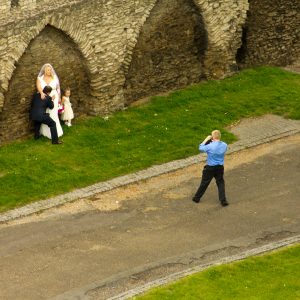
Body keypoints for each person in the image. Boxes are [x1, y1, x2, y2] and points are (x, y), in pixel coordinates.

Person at [192, 130, 229, 206]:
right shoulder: (224, 145)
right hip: (220, 167)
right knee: (220, 182)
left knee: (204, 183)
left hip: (210, 168)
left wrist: (206, 139)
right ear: (220, 136)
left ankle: (197, 198)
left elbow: (201, 148)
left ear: (212, 137)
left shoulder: (210, 146)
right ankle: (223, 200)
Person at [37, 63, 63, 139]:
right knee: (46, 114)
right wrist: (42, 93)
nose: (49, 71)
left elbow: (58, 87)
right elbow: (38, 87)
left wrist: (59, 97)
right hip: (44, 98)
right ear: (45, 70)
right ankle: (45, 132)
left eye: (50, 69)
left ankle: (55, 132)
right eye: (48, 70)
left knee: (53, 113)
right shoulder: (40, 78)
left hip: (54, 97)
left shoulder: (54, 77)